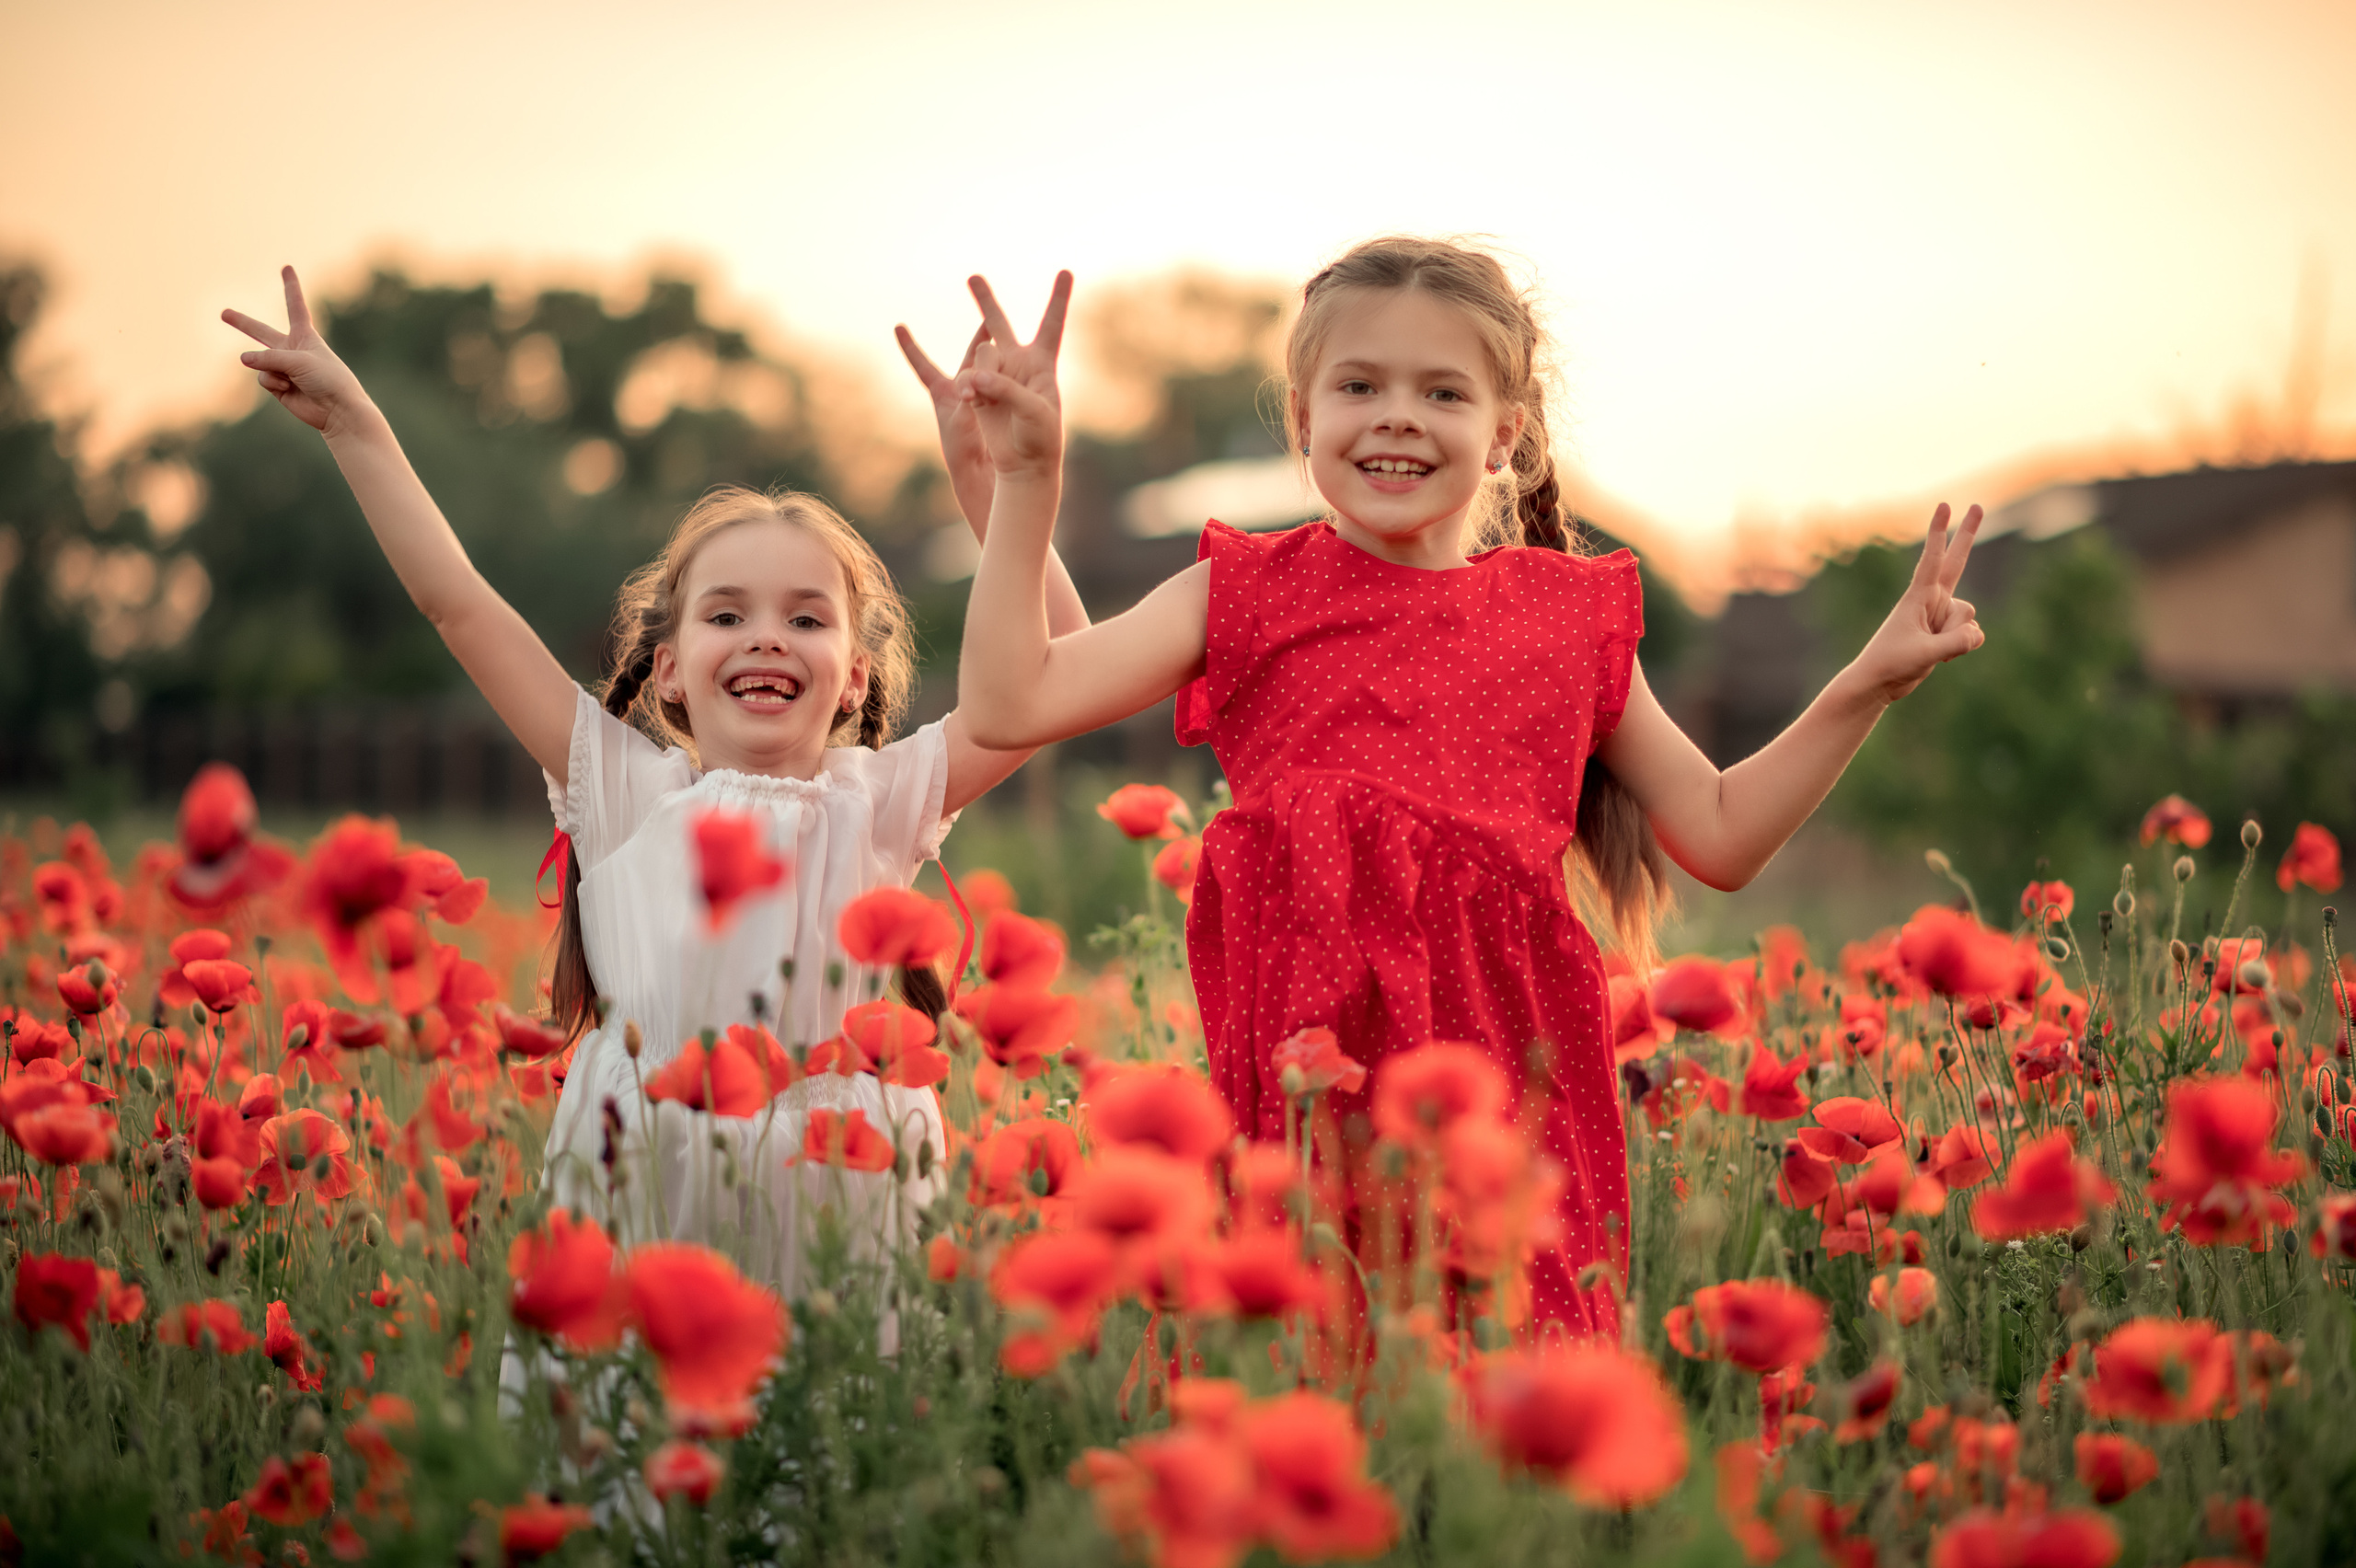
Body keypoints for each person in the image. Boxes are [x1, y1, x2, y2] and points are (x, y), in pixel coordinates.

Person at [953, 237, 1984, 1335]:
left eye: (1441, 391)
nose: (1396, 415)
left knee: (1507, 1409)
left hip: (1513, 1117)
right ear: (1302, 416)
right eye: (1358, 385)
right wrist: (1025, 483)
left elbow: (1721, 834)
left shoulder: (1565, 618)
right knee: (1325, 1402)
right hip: (1316, 1111)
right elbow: (1012, 704)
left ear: (1504, 435)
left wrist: (1863, 687)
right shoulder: (1242, 594)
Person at [223, 267, 1089, 1289]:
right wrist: (357, 428)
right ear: (669, 667)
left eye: (806, 618)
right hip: (643, 1189)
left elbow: (1061, 665)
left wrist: (993, 486)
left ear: (853, 674)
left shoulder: (884, 799)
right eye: (727, 614)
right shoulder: (625, 790)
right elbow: (457, 604)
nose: (766, 636)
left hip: (844, 1202)